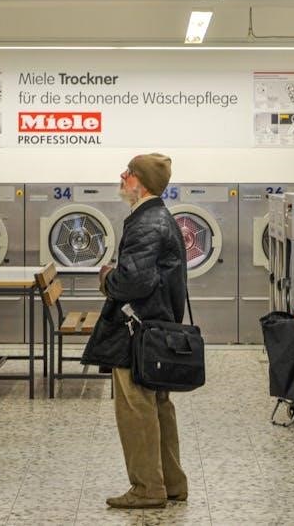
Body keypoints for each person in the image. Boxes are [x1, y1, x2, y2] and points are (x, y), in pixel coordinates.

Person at [81, 153, 189, 510]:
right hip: (155, 329)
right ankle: (171, 483)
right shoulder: (159, 217)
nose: (122, 176)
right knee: (158, 406)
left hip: (137, 332)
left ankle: (146, 488)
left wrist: (107, 277)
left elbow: (133, 282)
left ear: (140, 183)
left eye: (128, 173)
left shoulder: (146, 223)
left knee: (136, 409)